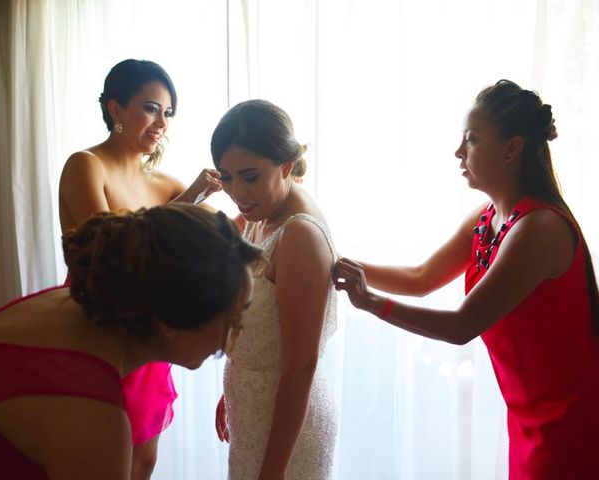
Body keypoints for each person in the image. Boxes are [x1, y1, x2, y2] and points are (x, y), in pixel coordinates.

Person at [332, 80, 599, 479]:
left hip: (570, 423)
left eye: (472, 140)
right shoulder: (486, 219)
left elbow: (462, 327)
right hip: (529, 419)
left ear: (512, 148)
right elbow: (422, 277)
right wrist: (338, 264)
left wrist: (371, 302)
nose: (459, 151)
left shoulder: (538, 227)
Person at [0, 204, 260, 479]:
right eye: (231, 322)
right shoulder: (93, 421)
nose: (235, 340)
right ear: (170, 323)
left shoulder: (76, 304)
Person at [58, 59, 221, 479]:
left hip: (152, 329)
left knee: (144, 459)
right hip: (101, 328)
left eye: (167, 113)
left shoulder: (166, 185)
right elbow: (111, 250)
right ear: (115, 109)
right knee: (98, 460)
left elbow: (219, 238)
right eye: (151, 108)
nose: (161, 121)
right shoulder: (85, 165)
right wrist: (191, 198)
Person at [212, 99, 338, 479]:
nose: (237, 191)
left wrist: (273, 472)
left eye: (250, 176)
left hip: (288, 430)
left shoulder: (299, 234)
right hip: (255, 406)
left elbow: (302, 363)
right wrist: (234, 389)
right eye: (226, 177)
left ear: (286, 167)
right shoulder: (260, 215)